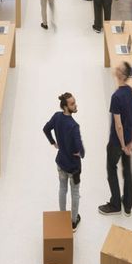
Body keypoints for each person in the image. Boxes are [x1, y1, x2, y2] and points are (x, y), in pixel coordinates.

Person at [99, 61, 132, 217]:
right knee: (127, 171)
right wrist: (131, 142)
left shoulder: (116, 97)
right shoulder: (129, 91)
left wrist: (122, 145)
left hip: (117, 142)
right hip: (128, 140)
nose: (116, 69)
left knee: (111, 169)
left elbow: (118, 125)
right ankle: (127, 205)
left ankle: (115, 204)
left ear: (121, 74)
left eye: (119, 68)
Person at [44, 92, 85, 230]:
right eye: (72, 104)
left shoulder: (57, 117)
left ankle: (62, 217)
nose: (75, 105)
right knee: (75, 193)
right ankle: (73, 222)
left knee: (62, 188)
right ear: (65, 107)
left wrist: (53, 142)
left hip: (61, 163)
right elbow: (81, 150)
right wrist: (81, 153)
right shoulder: (74, 126)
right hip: (73, 168)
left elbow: (46, 129)